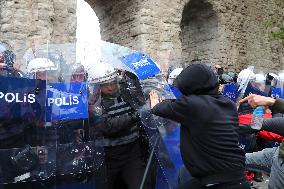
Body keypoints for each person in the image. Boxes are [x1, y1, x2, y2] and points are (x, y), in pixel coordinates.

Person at [150, 63, 250, 189]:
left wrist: (155, 104)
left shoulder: (193, 105)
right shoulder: (227, 104)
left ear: (192, 87)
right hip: (237, 177)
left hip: (218, 182)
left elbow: (160, 108)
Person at [87, 63, 152, 189]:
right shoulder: (93, 103)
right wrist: (136, 115)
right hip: (108, 155)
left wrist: (131, 74)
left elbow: (140, 95)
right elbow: (108, 126)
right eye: (105, 85)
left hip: (132, 151)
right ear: (96, 87)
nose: (111, 88)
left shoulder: (125, 93)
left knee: (141, 185)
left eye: (112, 83)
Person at [240, 94, 284, 189]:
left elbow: (261, 126)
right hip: (278, 151)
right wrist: (274, 102)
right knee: (237, 159)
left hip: (281, 164)